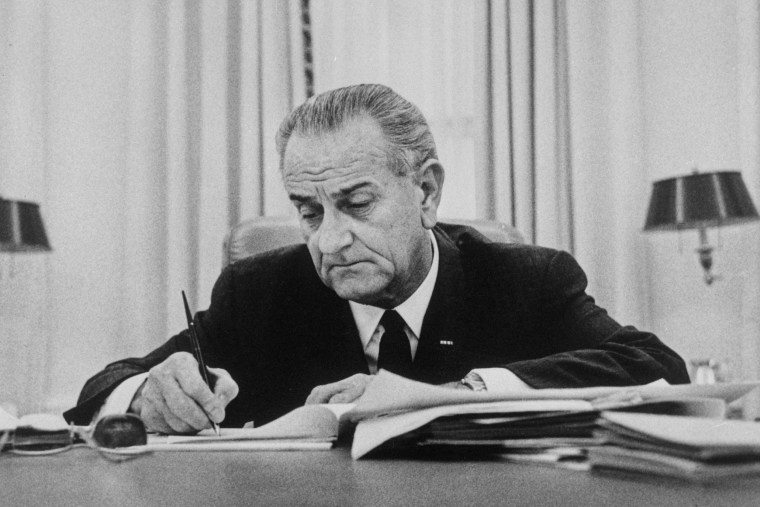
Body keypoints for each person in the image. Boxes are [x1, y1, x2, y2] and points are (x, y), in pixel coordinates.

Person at [64, 84, 689, 433]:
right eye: (309, 212)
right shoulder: (261, 291)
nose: (330, 240)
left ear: (427, 192)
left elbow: (657, 366)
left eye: (357, 203)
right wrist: (148, 393)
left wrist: (447, 395)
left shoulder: (525, 279)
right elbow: (98, 392)